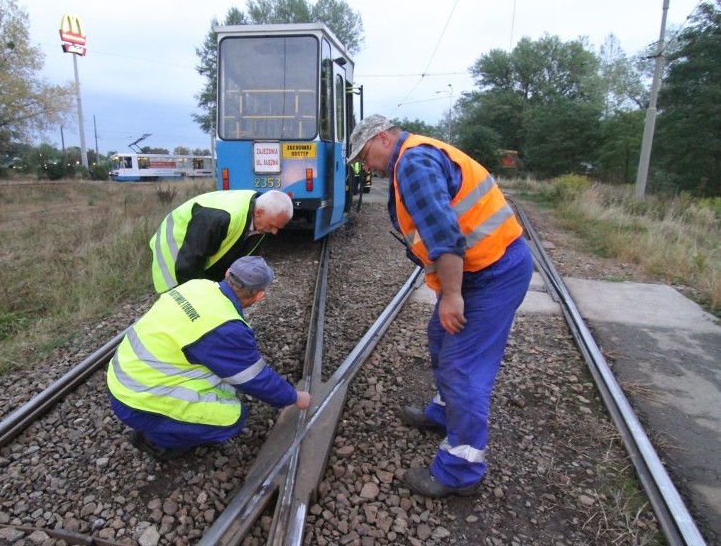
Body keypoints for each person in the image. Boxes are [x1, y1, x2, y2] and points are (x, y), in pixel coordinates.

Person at [347, 114, 533, 498]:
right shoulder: (411, 158)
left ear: (383, 139)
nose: (367, 167)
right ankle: (445, 412)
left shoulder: (412, 163)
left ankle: (460, 470)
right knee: (440, 336)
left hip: (493, 272)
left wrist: (451, 295)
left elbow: (445, 237)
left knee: (462, 365)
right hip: (478, 268)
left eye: (365, 156)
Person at [107, 255, 311, 461]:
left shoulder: (197, 285)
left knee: (222, 383)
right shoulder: (225, 327)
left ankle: (160, 425)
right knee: (231, 418)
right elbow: (254, 378)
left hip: (121, 377)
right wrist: (294, 397)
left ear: (227, 274)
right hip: (136, 402)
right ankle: (156, 440)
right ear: (259, 296)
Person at [149, 189, 293, 294]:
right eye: (273, 226)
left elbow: (236, 259)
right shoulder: (220, 218)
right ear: (259, 212)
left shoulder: (262, 219)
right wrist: (196, 297)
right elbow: (188, 262)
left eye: (279, 228)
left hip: (198, 250)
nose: (274, 232)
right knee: (180, 301)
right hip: (175, 249)